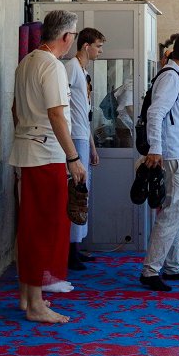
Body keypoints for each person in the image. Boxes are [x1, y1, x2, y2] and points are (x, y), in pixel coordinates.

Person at [9, 10, 87, 324]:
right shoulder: (51, 66)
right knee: (45, 229)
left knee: (31, 227)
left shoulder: (27, 62)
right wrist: (73, 157)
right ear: (66, 37)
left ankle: (28, 296)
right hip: (48, 155)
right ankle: (37, 304)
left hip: (29, 152)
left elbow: (16, 110)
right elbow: (57, 115)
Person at [140, 32, 179, 292]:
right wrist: (155, 148)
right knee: (172, 211)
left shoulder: (176, 77)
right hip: (171, 154)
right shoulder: (170, 77)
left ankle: (173, 265)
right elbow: (156, 113)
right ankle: (151, 269)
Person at [65, 27, 104, 270]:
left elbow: (85, 113)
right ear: (86, 46)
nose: (101, 51)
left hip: (82, 135)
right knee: (76, 193)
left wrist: (92, 146)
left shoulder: (83, 71)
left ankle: (77, 245)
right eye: (98, 46)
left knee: (84, 191)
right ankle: (70, 250)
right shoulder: (70, 67)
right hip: (73, 136)